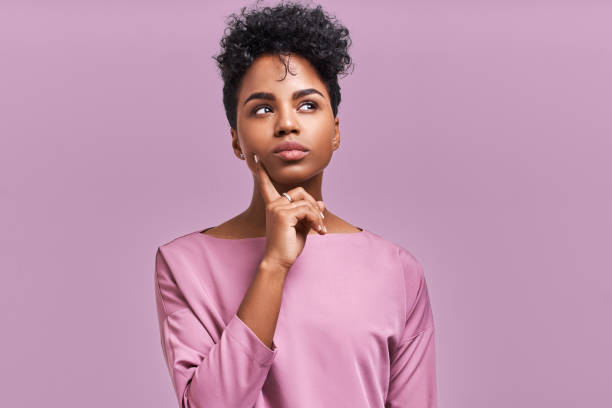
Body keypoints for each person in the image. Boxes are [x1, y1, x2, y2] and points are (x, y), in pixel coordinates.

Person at [153, 1, 438, 407]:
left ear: (335, 131)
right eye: (263, 108)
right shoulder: (183, 264)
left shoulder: (397, 271)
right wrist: (273, 265)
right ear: (237, 139)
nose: (287, 123)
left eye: (307, 104)